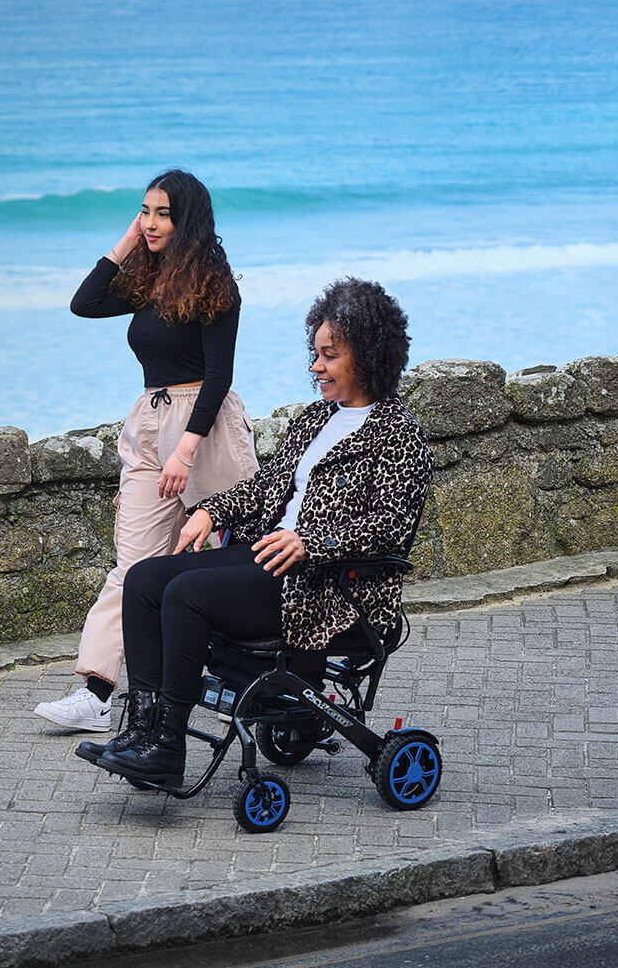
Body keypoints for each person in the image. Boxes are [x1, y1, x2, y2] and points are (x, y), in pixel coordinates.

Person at [87, 277, 431, 789]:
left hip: (325, 586)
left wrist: (313, 543)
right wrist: (210, 511)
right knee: (144, 579)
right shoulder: (315, 419)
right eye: (315, 354)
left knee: (185, 594)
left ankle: (167, 745)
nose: (316, 366)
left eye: (329, 356)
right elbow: (266, 490)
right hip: (268, 558)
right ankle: (141, 730)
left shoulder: (400, 437)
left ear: (367, 354)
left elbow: (388, 528)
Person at [33, 169, 259, 735]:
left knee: (247, 547)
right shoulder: (147, 278)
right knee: (133, 565)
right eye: (144, 211)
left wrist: (187, 450)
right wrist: (129, 240)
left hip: (205, 427)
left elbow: (218, 374)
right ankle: (96, 693)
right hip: (151, 423)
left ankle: (268, 672)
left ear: (187, 220)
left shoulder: (216, 284)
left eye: (161, 214)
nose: (151, 222)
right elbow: (83, 303)